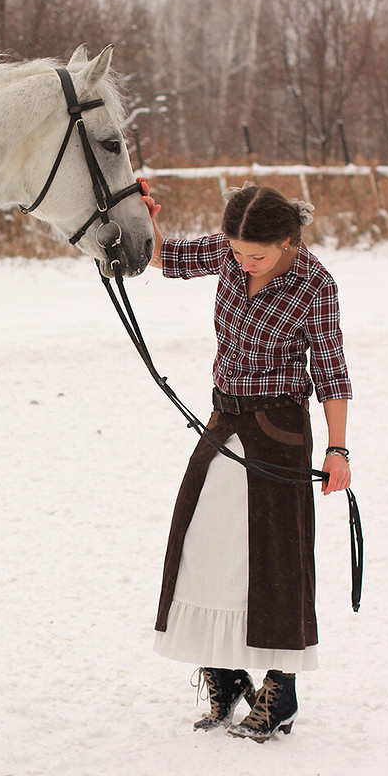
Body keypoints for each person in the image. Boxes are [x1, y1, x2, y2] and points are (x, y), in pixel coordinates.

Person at [138, 179, 352, 742]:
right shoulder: (230, 253)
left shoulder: (315, 284)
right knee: (205, 543)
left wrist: (337, 449)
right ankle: (228, 675)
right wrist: (146, 215)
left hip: (279, 429)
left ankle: (280, 690)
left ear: (286, 242)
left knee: (275, 559)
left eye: (255, 254)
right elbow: (167, 256)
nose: (242, 261)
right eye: (234, 251)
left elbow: (331, 372)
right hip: (223, 419)